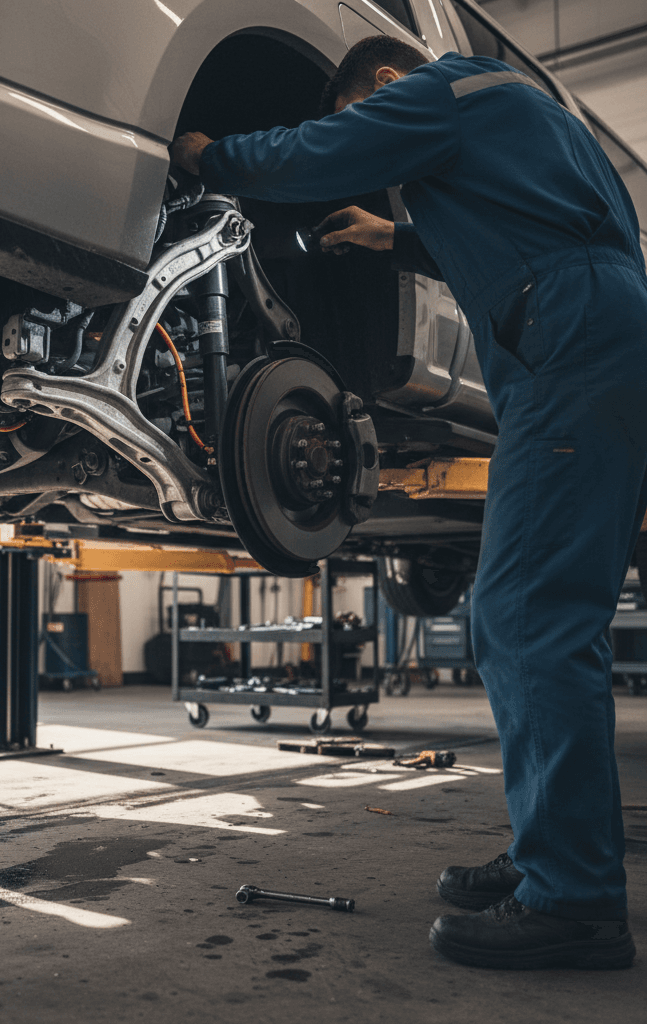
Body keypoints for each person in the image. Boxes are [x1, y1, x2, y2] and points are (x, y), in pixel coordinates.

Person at [170, 35, 646, 970]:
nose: (371, 135)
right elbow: (540, 219)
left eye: (363, 114)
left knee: (526, 617)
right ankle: (553, 851)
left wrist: (209, 158)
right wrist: (397, 238)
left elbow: (316, 154)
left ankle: (576, 901)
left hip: (571, 345)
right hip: (604, 329)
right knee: (545, 619)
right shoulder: (533, 112)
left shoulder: (441, 89)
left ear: (384, 85)